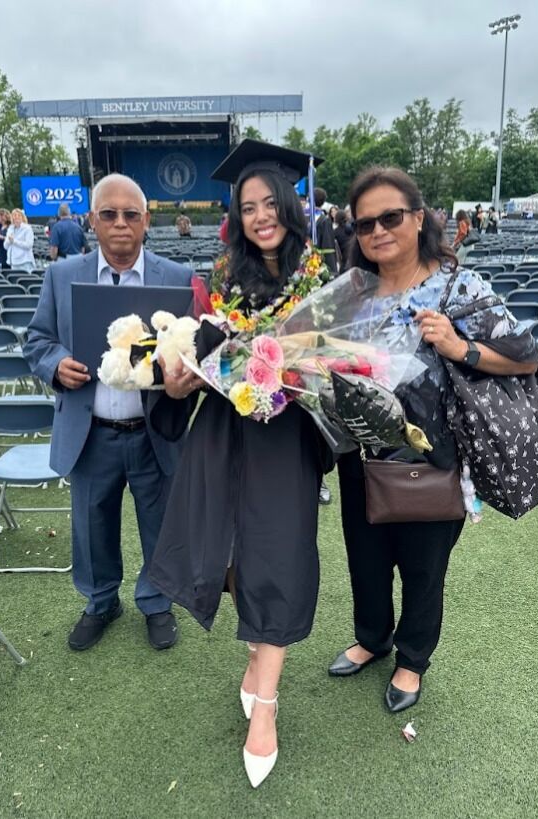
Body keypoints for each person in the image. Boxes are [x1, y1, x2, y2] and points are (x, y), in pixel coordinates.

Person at [149, 140, 333, 788]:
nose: (260, 216)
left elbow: (335, 362)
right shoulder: (224, 276)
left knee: (277, 556)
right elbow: (199, 350)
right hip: (225, 433)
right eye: (247, 207)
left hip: (285, 439)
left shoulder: (321, 277)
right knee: (228, 553)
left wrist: (303, 367)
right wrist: (180, 374)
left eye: (269, 203)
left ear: (289, 204)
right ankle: (257, 656)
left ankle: (267, 705)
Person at [328, 166, 538, 713]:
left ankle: (412, 659)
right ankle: (372, 638)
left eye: (391, 217)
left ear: (419, 218)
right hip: (360, 455)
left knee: (424, 570)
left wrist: (459, 347)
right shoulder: (352, 293)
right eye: (365, 223)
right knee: (365, 560)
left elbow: (526, 358)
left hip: (432, 458)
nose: (378, 231)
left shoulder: (459, 287)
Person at [23, 174, 192, 653]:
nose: (120, 223)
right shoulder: (61, 276)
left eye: (131, 214)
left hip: (153, 429)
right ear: (92, 221)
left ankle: (156, 602)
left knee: (159, 523)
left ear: (146, 221)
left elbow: (193, 348)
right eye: (109, 214)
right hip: (90, 430)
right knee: (92, 526)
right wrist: (56, 365)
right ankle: (100, 601)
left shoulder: (176, 278)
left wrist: (180, 369)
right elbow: (37, 340)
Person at [313, 187, 338, 275]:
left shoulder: (323, 220)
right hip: (316, 263)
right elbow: (328, 245)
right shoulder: (324, 220)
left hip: (316, 263)